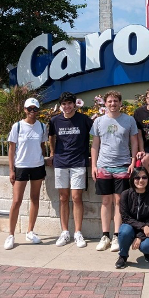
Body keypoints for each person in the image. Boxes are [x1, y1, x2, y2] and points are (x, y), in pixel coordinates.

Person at [91, 90, 140, 252]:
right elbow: (95, 145)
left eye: (116, 101)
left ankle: (117, 236)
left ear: (120, 103)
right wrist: (94, 166)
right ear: (105, 103)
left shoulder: (129, 120)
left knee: (120, 202)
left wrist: (133, 161)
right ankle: (105, 235)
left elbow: (134, 142)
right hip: (104, 166)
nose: (113, 104)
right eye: (110, 101)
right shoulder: (98, 121)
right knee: (106, 202)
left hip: (123, 166)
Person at [48, 92, 94, 248]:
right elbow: (51, 136)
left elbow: (96, 134)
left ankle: (78, 233)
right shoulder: (55, 120)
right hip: (61, 162)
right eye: (64, 104)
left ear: (75, 104)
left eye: (69, 103)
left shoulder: (83, 119)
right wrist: (53, 154)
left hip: (78, 162)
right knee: (63, 198)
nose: (67, 106)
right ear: (61, 106)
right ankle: (65, 232)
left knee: (76, 197)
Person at [4, 97, 50, 250]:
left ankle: (30, 231)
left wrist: (46, 159)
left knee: (35, 198)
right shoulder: (17, 126)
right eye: (29, 109)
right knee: (16, 201)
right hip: (21, 166)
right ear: (24, 110)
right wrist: (11, 170)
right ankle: (10, 234)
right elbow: (11, 149)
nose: (32, 112)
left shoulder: (42, 127)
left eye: (35, 109)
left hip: (37, 166)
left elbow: (42, 146)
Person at [115, 166, 149, 269]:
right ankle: (123, 256)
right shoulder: (125, 194)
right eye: (137, 178)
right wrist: (143, 227)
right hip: (131, 226)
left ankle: (147, 252)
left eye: (144, 177)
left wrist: (140, 237)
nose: (141, 180)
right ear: (132, 179)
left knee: (146, 246)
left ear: (148, 179)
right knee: (124, 231)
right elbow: (125, 217)